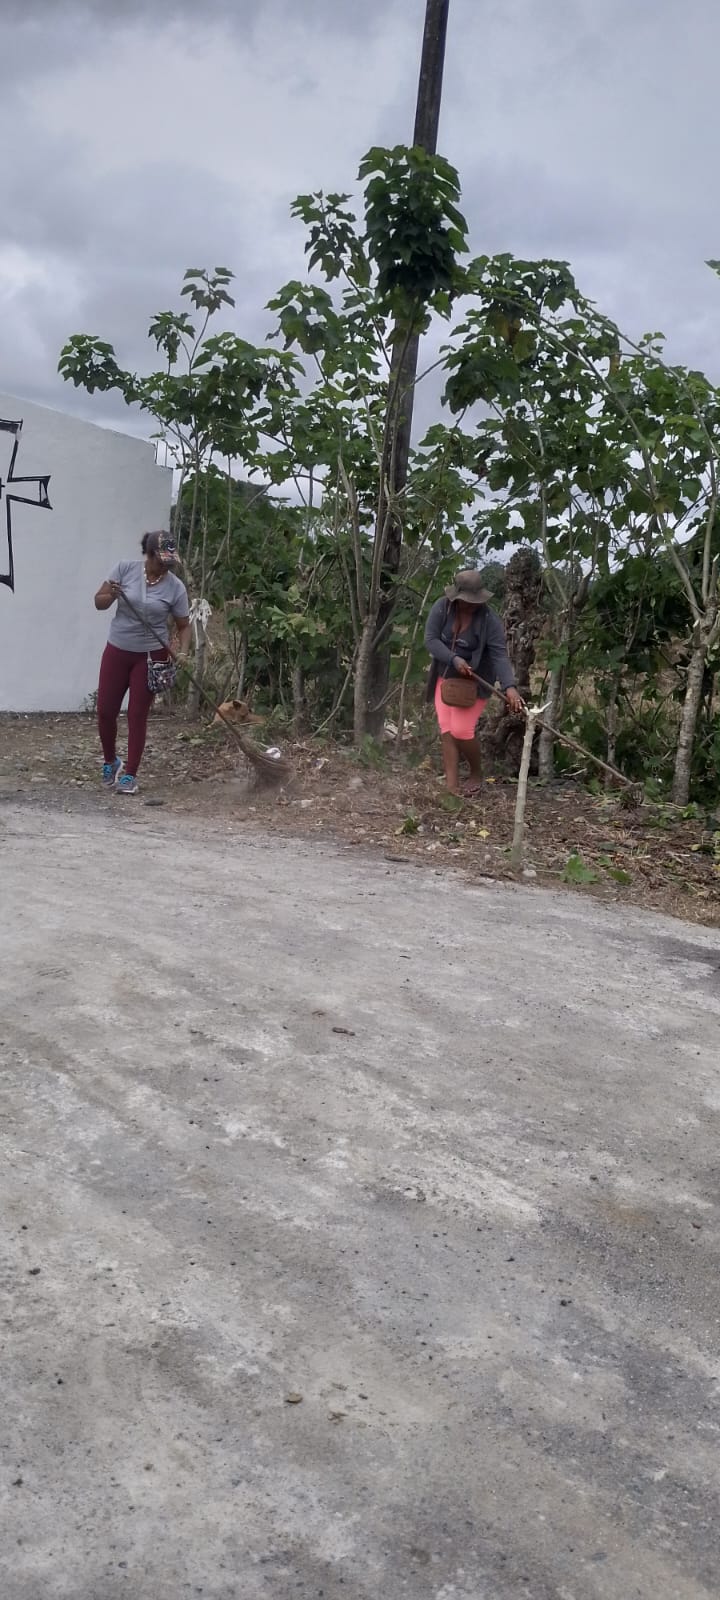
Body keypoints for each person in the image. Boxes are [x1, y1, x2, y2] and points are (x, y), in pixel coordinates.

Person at [94, 531, 191, 794]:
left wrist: (183, 652)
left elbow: (184, 625)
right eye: (161, 561)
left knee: (137, 715)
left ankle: (130, 775)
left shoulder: (175, 587)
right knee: (105, 711)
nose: (166, 567)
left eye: (170, 562)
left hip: (151, 657)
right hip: (117, 651)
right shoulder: (124, 569)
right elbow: (99, 602)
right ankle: (111, 761)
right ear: (148, 554)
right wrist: (112, 595)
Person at [425, 568, 523, 795]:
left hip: (475, 683)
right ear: (456, 597)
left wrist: (509, 687)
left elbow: (499, 655)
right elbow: (430, 640)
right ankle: (452, 787)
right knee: (447, 729)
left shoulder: (489, 620)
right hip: (446, 677)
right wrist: (454, 659)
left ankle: (476, 772)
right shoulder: (442, 607)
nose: (470, 605)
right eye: (466, 601)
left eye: (474, 601)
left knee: (461, 730)